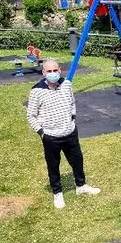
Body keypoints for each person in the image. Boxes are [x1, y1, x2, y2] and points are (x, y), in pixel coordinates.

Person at [27, 60, 100, 209]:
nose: (53, 74)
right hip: (51, 136)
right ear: (43, 73)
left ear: (60, 70)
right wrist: (41, 133)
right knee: (53, 165)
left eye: (55, 70)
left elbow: (72, 103)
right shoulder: (36, 91)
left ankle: (81, 185)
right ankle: (57, 193)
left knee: (77, 160)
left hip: (70, 132)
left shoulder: (67, 84)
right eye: (49, 71)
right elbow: (31, 115)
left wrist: (72, 119)